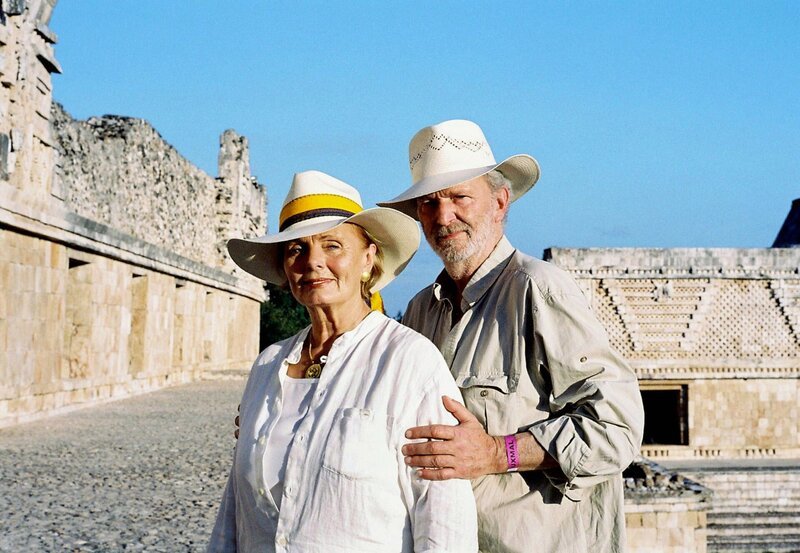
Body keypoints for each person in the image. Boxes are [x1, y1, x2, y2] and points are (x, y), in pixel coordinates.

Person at [379, 120, 645, 553]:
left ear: (500, 201)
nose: (443, 217)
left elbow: (617, 428)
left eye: (459, 197)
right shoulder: (420, 311)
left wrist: (496, 454)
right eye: (429, 203)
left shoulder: (539, 290)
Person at [208, 170, 478, 553]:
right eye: (296, 249)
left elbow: (444, 518)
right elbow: (236, 507)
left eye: (332, 245)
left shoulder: (409, 363)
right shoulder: (268, 366)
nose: (313, 261)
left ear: (368, 260)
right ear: (285, 270)